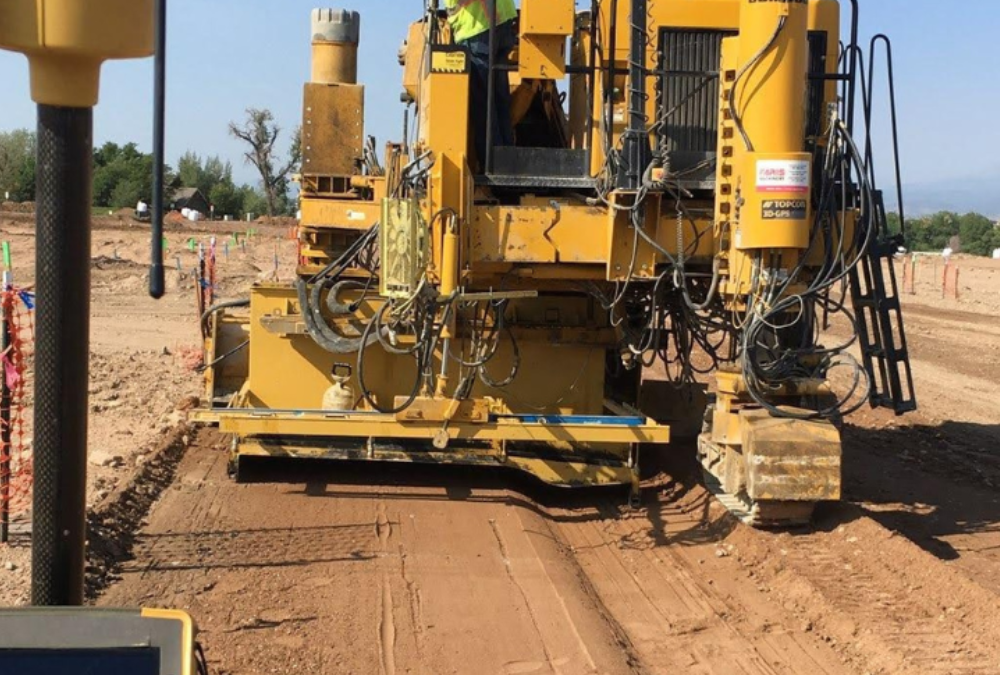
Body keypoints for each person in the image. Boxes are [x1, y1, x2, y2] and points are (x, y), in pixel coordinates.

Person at [445, 0, 518, 172]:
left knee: (484, 103)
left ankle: (495, 166)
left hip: (480, 29)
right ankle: (507, 162)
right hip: (499, 24)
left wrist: (490, 14)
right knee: (499, 101)